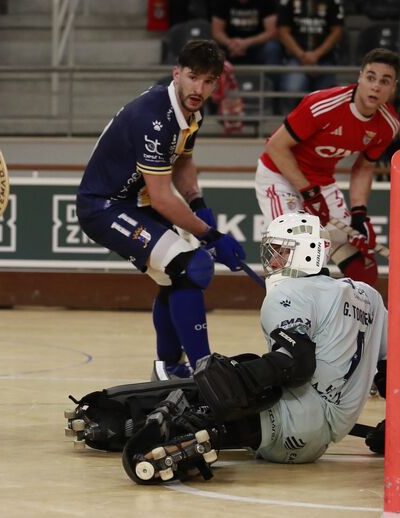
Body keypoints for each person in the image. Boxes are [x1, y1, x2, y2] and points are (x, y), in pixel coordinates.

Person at [66, 213, 387, 483]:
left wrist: (235, 377)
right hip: (321, 439)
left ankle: (120, 424)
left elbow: (297, 364)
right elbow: (389, 371)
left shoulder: (289, 293)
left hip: (293, 421)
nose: (272, 260)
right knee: (237, 374)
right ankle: (198, 430)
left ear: (306, 252)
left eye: (280, 251)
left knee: (215, 383)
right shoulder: (368, 296)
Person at [75, 39, 246, 379]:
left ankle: (168, 368)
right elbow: (163, 198)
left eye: (209, 80)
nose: (199, 88)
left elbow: (182, 158)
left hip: (133, 202)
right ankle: (204, 373)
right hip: (104, 207)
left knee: (177, 275)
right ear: (177, 73)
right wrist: (210, 235)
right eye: (193, 77)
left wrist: (198, 203)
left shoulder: (190, 111)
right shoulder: (154, 116)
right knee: (192, 266)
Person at [254, 48, 399, 286]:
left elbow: (364, 167)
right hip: (279, 176)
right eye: (371, 77)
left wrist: (360, 214)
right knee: (299, 255)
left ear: (393, 88)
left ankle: (358, 321)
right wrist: (308, 191)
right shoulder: (323, 104)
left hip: (321, 181)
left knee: (363, 263)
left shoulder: (388, 124)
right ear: (360, 77)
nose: (376, 86)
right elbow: (276, 147)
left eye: (385, 81)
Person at [277, 0, 344, 112]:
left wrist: (316, 55)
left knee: (327, 97)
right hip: (296, 57)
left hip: (324, 58)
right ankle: (289, 123)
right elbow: (282, 31)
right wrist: (302, 55)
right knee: (292, 89)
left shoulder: (333, 2)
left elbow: (337, 31)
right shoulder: (288, 2)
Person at [210, 0, 280, 66]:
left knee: (272, 48)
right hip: (230, 46)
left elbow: (272, 32)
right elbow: (217, 32)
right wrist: (230, 43)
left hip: (258, 45)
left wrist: (246, 43)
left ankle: (271, 78)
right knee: (212, 49)